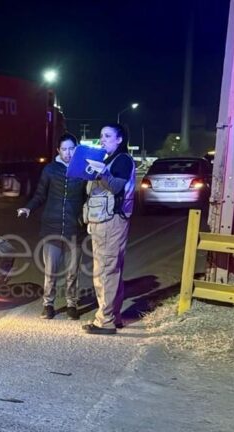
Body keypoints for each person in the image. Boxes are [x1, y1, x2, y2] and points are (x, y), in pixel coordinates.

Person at [17, 133, 87, 320]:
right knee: (51, 272)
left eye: (71, 148)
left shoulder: (83, 170)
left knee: (73, 272)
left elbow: (89, 196)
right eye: (64, 149)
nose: (68, 153)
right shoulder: (50, 169)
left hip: (75, 228)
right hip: (52, 228)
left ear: (77, 149)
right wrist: (29, 207)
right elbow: (40, 194)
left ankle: (72, 303)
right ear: (58, 150)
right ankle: (48, 304)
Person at [81, 123, 136, 335]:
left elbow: (115, 187)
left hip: (110, 221)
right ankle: (114, 316)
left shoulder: (121, 160)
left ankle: (105, 322)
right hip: (104, 220)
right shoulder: (110, 159)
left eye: (107, 136)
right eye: (101, 135)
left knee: (105, 270)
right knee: (111, 270)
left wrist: (102, 172)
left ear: (120, 139)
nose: (102, 139)